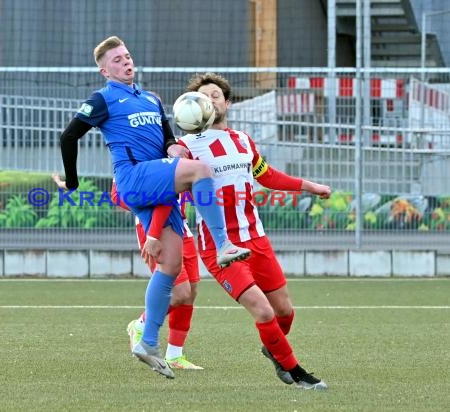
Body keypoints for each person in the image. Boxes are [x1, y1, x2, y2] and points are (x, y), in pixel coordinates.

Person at [54, 37, 250, 379]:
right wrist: (72, 182)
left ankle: (146, 341)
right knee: (201, 171)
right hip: (133, 177)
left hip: (156, 178)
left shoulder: (151, 99)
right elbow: (68, 137)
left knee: (172, 268)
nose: (125, 63)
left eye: (127, 56)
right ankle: (223, 245)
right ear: (104, 70)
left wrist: (173, 147)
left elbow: (166, 139)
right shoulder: (102, 99)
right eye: (117, 60)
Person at [167, 72, 331, 390]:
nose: (210, 99)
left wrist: (309, 186)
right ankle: (297, 373)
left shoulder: (242, 140)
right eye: (203, 96)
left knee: (284, 312)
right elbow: (173, 189)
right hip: (220, 247)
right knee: (263, 310)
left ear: (227, 103)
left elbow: (266, 174)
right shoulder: (185, 147)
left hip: (256, 238)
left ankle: (274, 350)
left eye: (216, 95)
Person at [111, 182, 203, 370]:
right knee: (179, 292)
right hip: (153, 227)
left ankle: (175, 355)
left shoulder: (183, 152)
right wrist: (148, 205)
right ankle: (140, 325)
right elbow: (116, 196)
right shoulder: (135, 154)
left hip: (181, 226)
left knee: (191, 291)